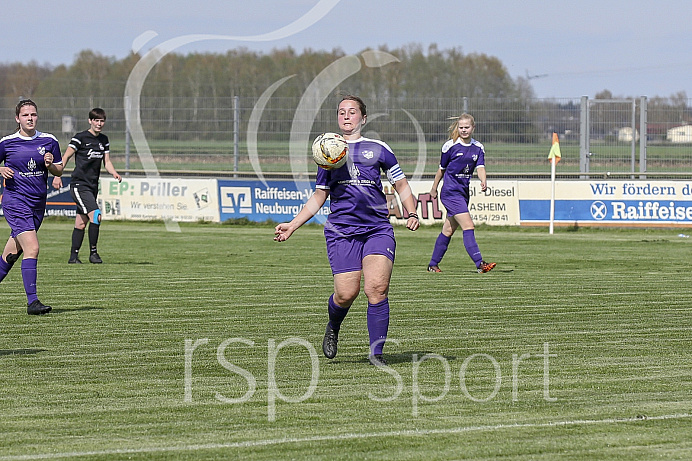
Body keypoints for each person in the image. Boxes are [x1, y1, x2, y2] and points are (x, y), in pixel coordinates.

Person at [274, 95, 420, 366]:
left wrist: (411, 211)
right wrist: (293, 225)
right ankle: (333, 326)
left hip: (377, 229)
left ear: (363, 118)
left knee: (377, 288)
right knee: (345, 294)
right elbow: (320, 195)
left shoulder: (378, 148)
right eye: (341, 112)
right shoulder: (328, 151)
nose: (346, 116)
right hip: (342, 231)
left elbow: (401, 185)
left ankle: (376, 354)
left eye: (352, 112)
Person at [0, 99, 64, 315]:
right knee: (33, 248)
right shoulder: (7, 142)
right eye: (26, 115)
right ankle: (33, 302)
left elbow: (59, 170)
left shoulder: (49, 140)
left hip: (37, 205)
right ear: (17, 118)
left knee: (11, 254)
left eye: (33, 114)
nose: (30, 118)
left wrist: (50, 164)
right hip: (15, 202)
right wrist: (0, 170)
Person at [427, 113, 496, 274]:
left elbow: (480, 167)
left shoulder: (478, 148)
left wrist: (483, 180)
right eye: (461, 127)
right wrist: (434, 188)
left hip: (463, 193)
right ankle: (480, 264)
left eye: (467, 127)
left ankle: (432, 264)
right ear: (458, 128)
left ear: (473, 128)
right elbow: (441, 170)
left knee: (448, 230)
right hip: (450, 193)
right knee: (468, 225)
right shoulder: (449, 146)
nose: (464, 130)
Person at [52, 108, 121, 264]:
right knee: (96, 215)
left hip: (92, 186)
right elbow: (66, 156)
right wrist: (57, 174)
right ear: (90, 121)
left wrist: (114, 173)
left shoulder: (104, 140)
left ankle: (73, 257)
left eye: (102, 121)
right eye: (96, 120)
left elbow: (107, 162)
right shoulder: (80, 138)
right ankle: (93, 254)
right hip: (79, 185)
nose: (99, 123)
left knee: (81, 223)